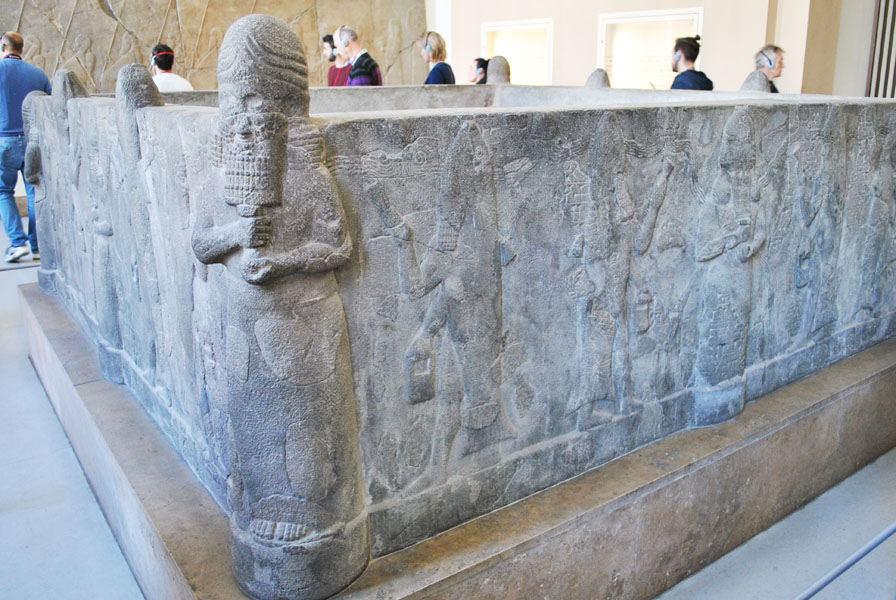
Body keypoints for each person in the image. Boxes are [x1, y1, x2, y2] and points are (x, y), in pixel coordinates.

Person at [0, 32, 51, 263]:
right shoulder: (37, 74)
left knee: (3, 191)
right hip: (33, 140)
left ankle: (17, 244)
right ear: (21, 48)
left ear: (3, 46)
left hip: (4, 141)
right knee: (33, 192)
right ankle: (37, 245)